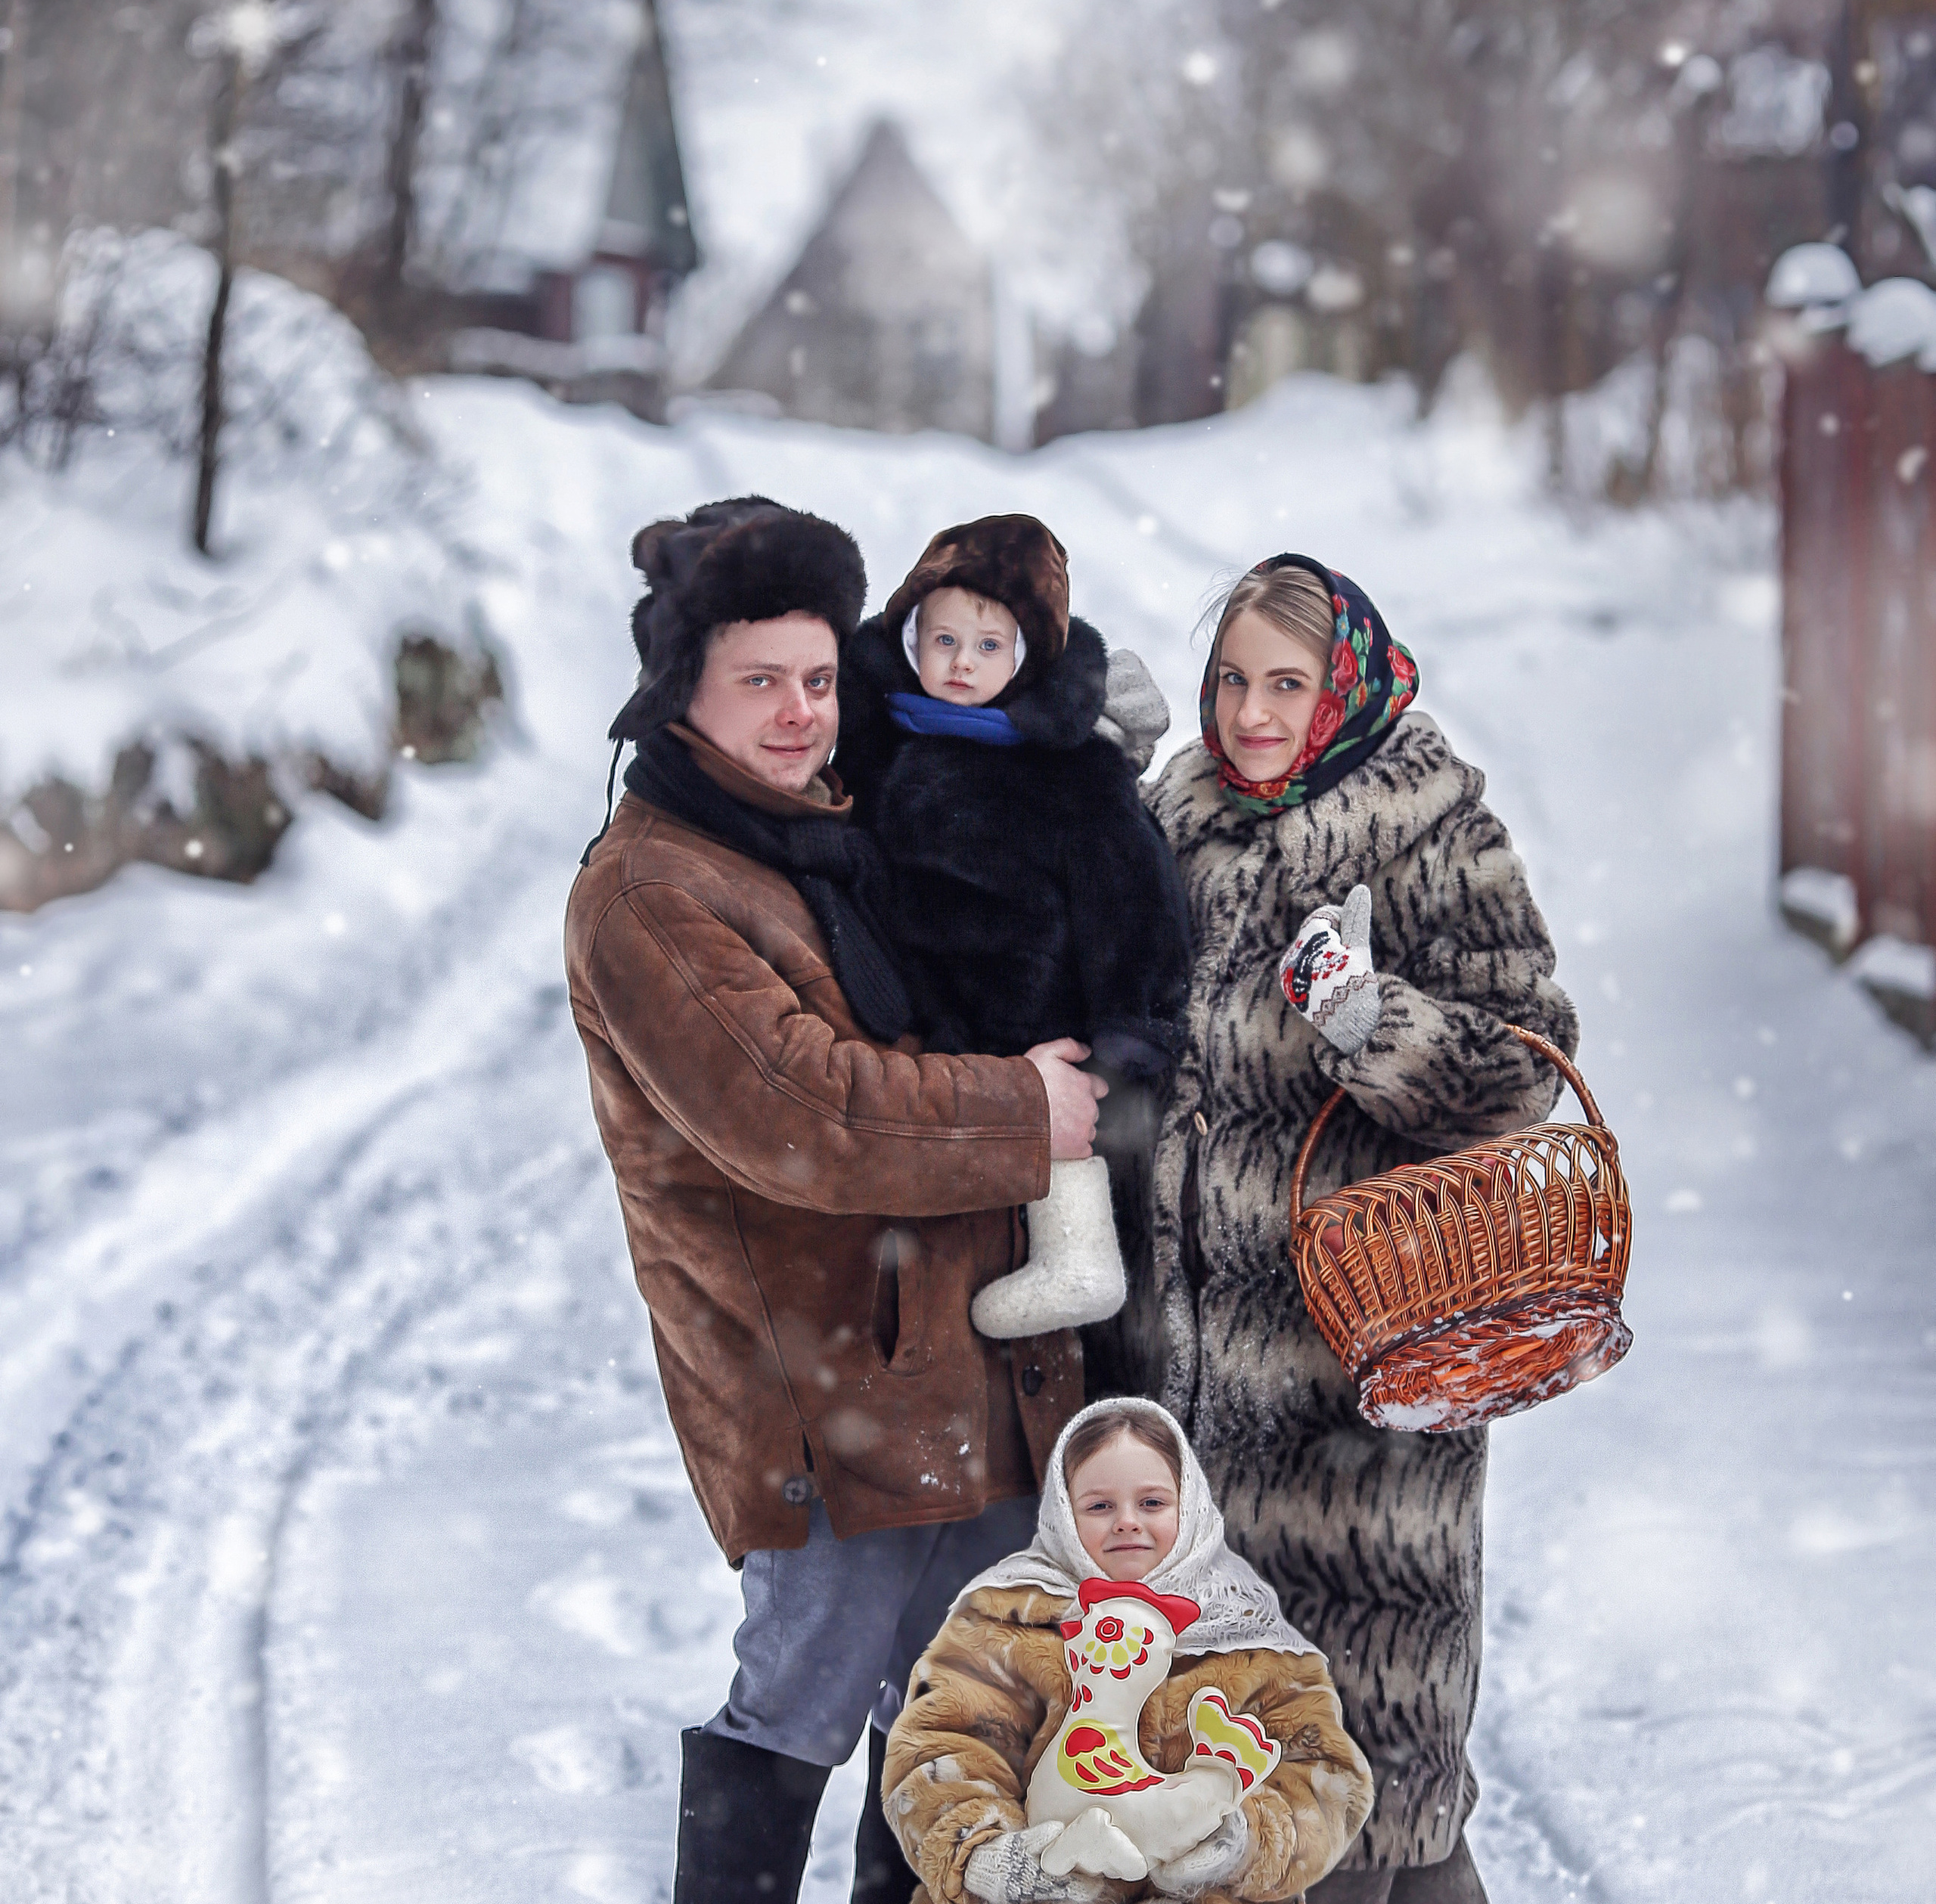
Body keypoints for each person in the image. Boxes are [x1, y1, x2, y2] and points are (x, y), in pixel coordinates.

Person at [565, 497, 1112, 1904]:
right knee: (798, 1703)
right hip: (814, 1383)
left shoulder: (821, 826)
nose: (803, 712)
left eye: (819, 677)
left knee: (955, 1713)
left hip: (954, 1353)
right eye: (762, 681)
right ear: (680, 688)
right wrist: (1022, 1108)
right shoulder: (650, 889)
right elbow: (806, 1115)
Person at [1146, 556, 1580, 1902]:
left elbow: (1530, 1063)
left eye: (1288, 683)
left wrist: (1369, 1021)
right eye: (1232, 681)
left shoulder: (1433, 826)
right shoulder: (1182, 821)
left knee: (1378, 1774)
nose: (1254, 715)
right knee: (1241, 1770)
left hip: (1364, 1377)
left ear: (1348, 687)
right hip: (1195, 1380)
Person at [836, 514, 1190, 1359]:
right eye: (944, 638)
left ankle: (1078, 1260)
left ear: (1028, 657)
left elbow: (1132, 893)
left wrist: (1130, 1021)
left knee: (1061, 1132)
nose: (961, 664)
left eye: (990, 647)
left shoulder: (1068, 767)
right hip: (924, 1012)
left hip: (1035, 1011)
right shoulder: (879, 730)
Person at [880, 1398, 1375, 1901]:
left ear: (1192, 1505)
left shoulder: (1251, 1635)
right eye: (1099, 1506)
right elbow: (939, 1748)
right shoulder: (1005, 1619)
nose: (1127, 1522)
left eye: (1152, 1503)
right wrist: (988, 1857)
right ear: (1062, 1515)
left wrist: (1245, 1841)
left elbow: (1326, 1777)